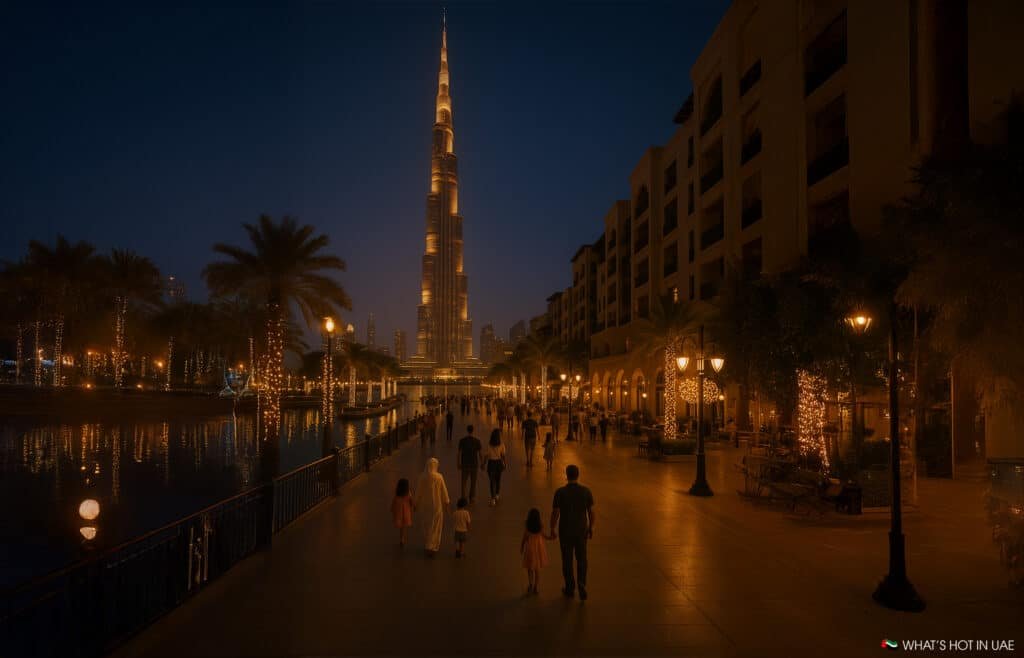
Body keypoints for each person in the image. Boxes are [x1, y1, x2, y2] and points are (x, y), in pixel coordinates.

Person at [550, 464, 595, 600]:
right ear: (578, 475)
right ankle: (582, 583)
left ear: (566, 475)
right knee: (582, 558)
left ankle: (570, 587)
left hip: (565, 530)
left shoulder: (560, 492)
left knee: (567, 559)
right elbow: (591, 512)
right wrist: (591, 527)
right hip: (581, 530)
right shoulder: (586, 491)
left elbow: (556, 513)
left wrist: (552, 528)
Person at [413, 457, 450, 557]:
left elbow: (418, 492)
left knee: (426, 524)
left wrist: (415, 504)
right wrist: (446, 504)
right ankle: (432, 546)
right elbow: (444, 491)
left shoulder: (422, 477)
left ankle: (427, 544)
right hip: (437, 505)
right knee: (436, 526)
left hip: (425, 506)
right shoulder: (439, 477)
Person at [521, 508, 551, 595]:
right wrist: (550, 537)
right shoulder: (540, 525)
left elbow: (524, 537)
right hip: (538, 549)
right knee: (537, 570)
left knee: (530, 568)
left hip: (530, 549)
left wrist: (522, 547)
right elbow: (544, 535)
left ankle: (530, 584)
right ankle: (536, 587)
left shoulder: (528, 526)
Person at [457, 425, 483, 503]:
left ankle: (463, 497)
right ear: (473, 430)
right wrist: (482, 463)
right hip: (474, 464)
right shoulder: (477, 441)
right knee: (473, 482)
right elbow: (480, 453)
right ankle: (472, 498)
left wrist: (458, 463)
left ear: (467, 430)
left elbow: (459, 453)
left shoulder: (462, 440)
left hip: (464, 464)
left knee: (463, 482)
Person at [483, 429, 508, 506]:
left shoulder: (489, 445)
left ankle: (493, 498)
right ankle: (497, 494)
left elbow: (486, 456)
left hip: (491, 464)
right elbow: (503, 455)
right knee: (498, 480)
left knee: (492, 481)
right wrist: (505, 463)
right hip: (499, 463)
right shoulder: (501, 444)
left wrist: (483, 464)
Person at [391, 478, 414, 547]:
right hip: (406, 512)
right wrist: (414, 507)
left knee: (401, 525)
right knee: (403, 527)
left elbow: (394, 501)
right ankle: (402, 539)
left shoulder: (397, 494)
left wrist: (392, 508)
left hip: (399, 512)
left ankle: (401, 538)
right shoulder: (408, 493)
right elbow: (411, 501)